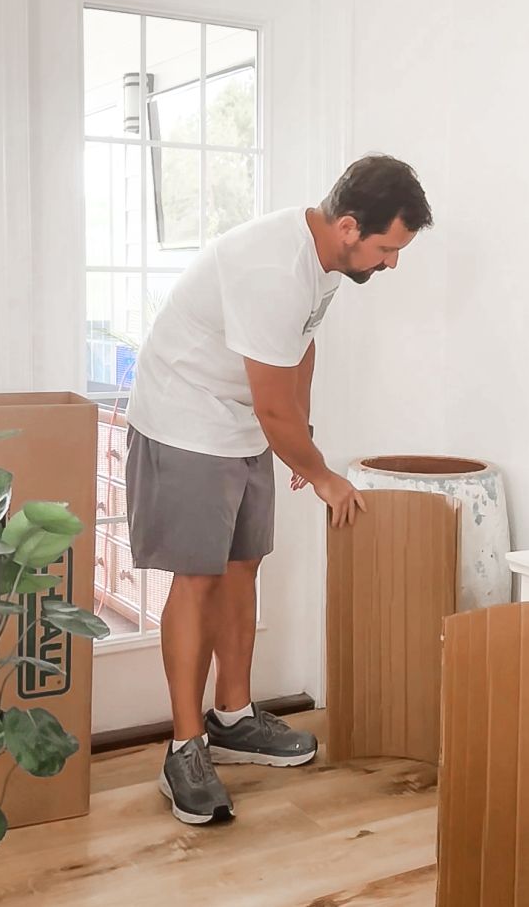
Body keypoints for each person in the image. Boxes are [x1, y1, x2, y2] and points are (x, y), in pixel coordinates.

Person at [125, 154, 434, 825]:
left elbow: (301, 347)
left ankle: (232, 715)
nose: (391, 264)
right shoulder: (273, 268)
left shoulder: (323, 262)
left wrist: (305, 429)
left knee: (244, 564)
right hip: (185, 415)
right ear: (350, 227)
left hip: (239, 420)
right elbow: (271, 404)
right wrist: (318, 469)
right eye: (388, 248)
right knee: (199, 578)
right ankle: (185, 747)